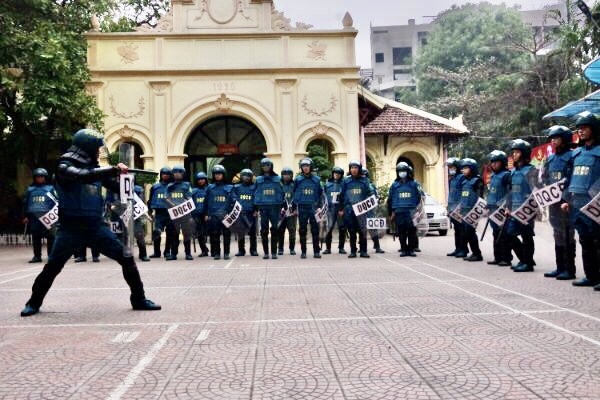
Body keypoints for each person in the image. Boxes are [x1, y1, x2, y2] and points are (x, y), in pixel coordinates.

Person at [20, 129, 160, 317]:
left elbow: (118, 188)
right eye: (96, 149)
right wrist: (110, 169)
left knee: (126, 258)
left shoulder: (96, 171)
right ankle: (33, 302)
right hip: (70, 227)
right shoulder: (64, 166)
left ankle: (139, 299)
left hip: (95, 226)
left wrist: (123, 176)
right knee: (53, 266)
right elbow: (81, 175)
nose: (98, 153)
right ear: (86, 148)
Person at [561, 113, 600, 290]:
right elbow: (570, 178)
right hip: (577, 204)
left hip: (595, 204)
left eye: (585, 127)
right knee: (585, 240)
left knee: (598, 241)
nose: (581, 130)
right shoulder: (576, 153)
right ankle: (590, 276)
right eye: (579, 128)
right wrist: (566, 199)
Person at [542, 126, 576, 280]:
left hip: (566, 202)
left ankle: (569, 269)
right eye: (552, 138)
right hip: (553, 202)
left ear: (565, 139)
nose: (553, 141)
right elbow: (546, 179)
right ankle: (560, 267)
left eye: (556, 138)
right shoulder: (550, 159)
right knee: (557, 233)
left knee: (567, 233)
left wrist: (567, 199)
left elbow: (573, 180)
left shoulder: (572, 156)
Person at [506, 139, 538, 272]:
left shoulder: (531, 170)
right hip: (514, 209)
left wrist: (534, 207)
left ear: (524, 153)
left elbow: (537, 189)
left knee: (526, 236)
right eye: (513, 152)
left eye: (517, 152)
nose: (514, 155)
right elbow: (510, 191)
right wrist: (508, 207)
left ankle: (528, 263)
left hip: (527, 209)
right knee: (510, 235)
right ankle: (524, 259)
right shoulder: (512, 172)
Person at [339, 160, 374, 258]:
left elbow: (370, 193)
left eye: (356, 168)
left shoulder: (365, 181)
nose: (354, 170)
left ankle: (363, 251)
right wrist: (341, 209)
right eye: (352, 168)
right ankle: (353, 251)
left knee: (362, 231)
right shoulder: (346, 181)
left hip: (362, 209)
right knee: (352, 231)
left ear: (359, 169)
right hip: (349, 210)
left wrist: (372, 201)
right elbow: (341, 195)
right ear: (350, 169)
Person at [23, 168, 56, 263]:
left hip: (48, 216)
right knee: (36, 237)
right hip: (34, 217)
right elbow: (26, 203)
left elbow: (56, 202)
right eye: (38, 177)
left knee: (51, 237)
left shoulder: (50, 188)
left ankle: (51, 256)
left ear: (45, 177)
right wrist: (25, 216)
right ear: (35, 178)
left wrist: (56, 215)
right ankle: (37, 256)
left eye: (42, 176)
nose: (40, 178)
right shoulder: (30, 189)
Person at [254, 158, 285, 259]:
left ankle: (274, 252)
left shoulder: (278, 179)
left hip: (275, 208)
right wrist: (255, 208)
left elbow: (282, 192)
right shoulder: (258, 180)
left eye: (268, 165)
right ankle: (266, 252)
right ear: (261, 167)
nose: (266, 167)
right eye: (264, 165)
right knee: (264, 231)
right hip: (263, 208)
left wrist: (283, 206)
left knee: (275, 230)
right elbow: (254, 193)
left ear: (271, 167)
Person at [388, 162, 421, 257]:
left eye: (404, 171)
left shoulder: (414, 184)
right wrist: (391, 212)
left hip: (411, 211)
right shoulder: (394, 185)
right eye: (400, 171)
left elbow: (419, 197)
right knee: (401, 232)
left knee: (411, 231)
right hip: (399, 212)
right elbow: (390, 199)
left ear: (407, 172)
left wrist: (416, 209)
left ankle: (411, 250)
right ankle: (403, 249)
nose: (402, 173)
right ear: (397, 172)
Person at [485, 150, 512, 267]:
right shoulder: (492, 176)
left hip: (502, 209)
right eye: (492, 162)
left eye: (496, 162)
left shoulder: (506, 175)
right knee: (495, 233)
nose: (493, 165)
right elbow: (491, 192)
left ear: (502, 163)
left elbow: (510, 192)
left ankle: (506, 258)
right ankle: (497, 257)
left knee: (504, 234)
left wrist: (506, 206)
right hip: (492, 208)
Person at [293, 158, 323, 258]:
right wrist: (294, 207)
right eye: (303, 166)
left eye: (307, 166)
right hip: (302, 207)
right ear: (301, 167)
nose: (305, 168)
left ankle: (316, 251)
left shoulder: (317, 180)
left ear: (311, 167)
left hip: (313, 208)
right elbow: (295, 194)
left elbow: (320, 194)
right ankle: (303, 251)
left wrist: (320, 207)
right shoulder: (298, 180)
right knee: (302, 230)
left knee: (315, 230)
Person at [165, 165, 194, 261]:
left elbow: (189, 197)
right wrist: (173, 205)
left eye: (179, 172)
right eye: (175, 172)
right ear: (173, 174)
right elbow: (166, 198)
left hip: (185, 213)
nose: (177, 174)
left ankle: (188, 253)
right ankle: (173, 254)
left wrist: (185, 203)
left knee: (187, 234)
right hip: (174, 214)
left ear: (183, 173)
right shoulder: (169, 186)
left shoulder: (187, 185)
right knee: (174, 234)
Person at [458, 158, 484, 262]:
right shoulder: (464, 182)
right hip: (464, 211)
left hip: (472, 211)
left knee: (470, 232)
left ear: (472, 169)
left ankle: (477, 254)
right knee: (465, 233)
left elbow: (480, 198)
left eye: (465, 168)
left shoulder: (477, 181)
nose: (463, 170)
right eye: (462, 168)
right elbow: (463, 197)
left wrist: (477, 212)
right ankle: (473, 252)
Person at [205, 165, 233, 260]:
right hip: (214, 215)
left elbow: (233, 202)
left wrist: (230, 213)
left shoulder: (229, 187)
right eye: (216, 174)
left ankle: (226, 253)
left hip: (226, 215)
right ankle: (217, 253)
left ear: (223, 175)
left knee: (226, 234)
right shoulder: (210, 187)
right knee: (215, 235)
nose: (217, 176)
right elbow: (206, 201)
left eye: (219, 174)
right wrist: (206, 214)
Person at [148, 167, 175, 258]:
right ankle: (156, 252)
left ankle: (167, 251)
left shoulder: (173, 187)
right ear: (161, 174)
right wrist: (150, 210)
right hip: (159, 213)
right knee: (157, 232)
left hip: (170, 212)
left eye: (167, 174)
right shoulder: (155, 187)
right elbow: (150, 199)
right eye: (164, 174)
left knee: (170, 233)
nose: (165, 175)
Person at [233, 169, 258, 257]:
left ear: (251, 177)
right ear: (241, 176)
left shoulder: (254, 187)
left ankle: (253, 250)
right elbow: (233, 199)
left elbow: (257, 199)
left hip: (251, 213)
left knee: (252, 233)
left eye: (248, 176)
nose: (246, 178)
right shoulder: (236, 187)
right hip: (240, 213)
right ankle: (241, 250)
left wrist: (256, 210)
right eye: (244, 175)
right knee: (241, 233)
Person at [446, 157, 467, 257]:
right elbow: (451, 194)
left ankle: (463, 250)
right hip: (452, 208)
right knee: (456, 230)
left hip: (460, 208)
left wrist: (461, 206)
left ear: (457, 167)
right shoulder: (452, 179)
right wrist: (449, 207)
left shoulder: (462, 178)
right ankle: (457, 248)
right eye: (449, 167)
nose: (450, 169)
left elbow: (463, 192)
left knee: (462, 230)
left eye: (452, 167)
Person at [323, 166, 346, 254]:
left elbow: (346, 198)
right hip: (330, 210)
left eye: (338, 173)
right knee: (329, 228)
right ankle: (328, 248)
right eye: (335, 173)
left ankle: (341, 248)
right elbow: (323, 197)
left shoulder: (344, 184)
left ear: (341, 175)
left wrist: (343, 209)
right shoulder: (327, 185)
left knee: (342, 228)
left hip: (340, 210)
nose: (336, 175)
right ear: (332, 174)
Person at [362, 167, 385, 254]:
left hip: (370, 210)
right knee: (361, 229)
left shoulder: (372, 185)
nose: (363, 177)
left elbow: (377, 196)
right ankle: (362, 247)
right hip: (360, 210)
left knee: (373, 229)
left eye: (364, 175)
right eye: (362, 175)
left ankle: (377, 246)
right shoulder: (358, 184)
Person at [277, 167, 297, 256]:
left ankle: (292, 248)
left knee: (292, 231)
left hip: (292, 212)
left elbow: (297, 197)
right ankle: (280, 249)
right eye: (284, 174)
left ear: (291, 175)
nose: (286, 176)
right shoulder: (278, 185)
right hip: (281, 212)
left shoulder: (295, 185)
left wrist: (295, 208)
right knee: (280, 231)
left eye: (288, 174)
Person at [191, 172, 210, 257]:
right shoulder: (193, 191)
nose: (201, 181)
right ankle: (204, 250)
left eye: (202, 179)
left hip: (208, 214)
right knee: (200, 233)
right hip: (196, 214)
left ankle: (214, 250)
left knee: (212, 233)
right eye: (199, 179)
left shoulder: (209, 189)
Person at [133, 185, 150, 262]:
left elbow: (141, 202)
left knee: (139, 234)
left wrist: (146, 214)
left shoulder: (138, 189)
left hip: (135, 215)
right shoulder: (115, 187)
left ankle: (143, 254)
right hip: (120, 213)